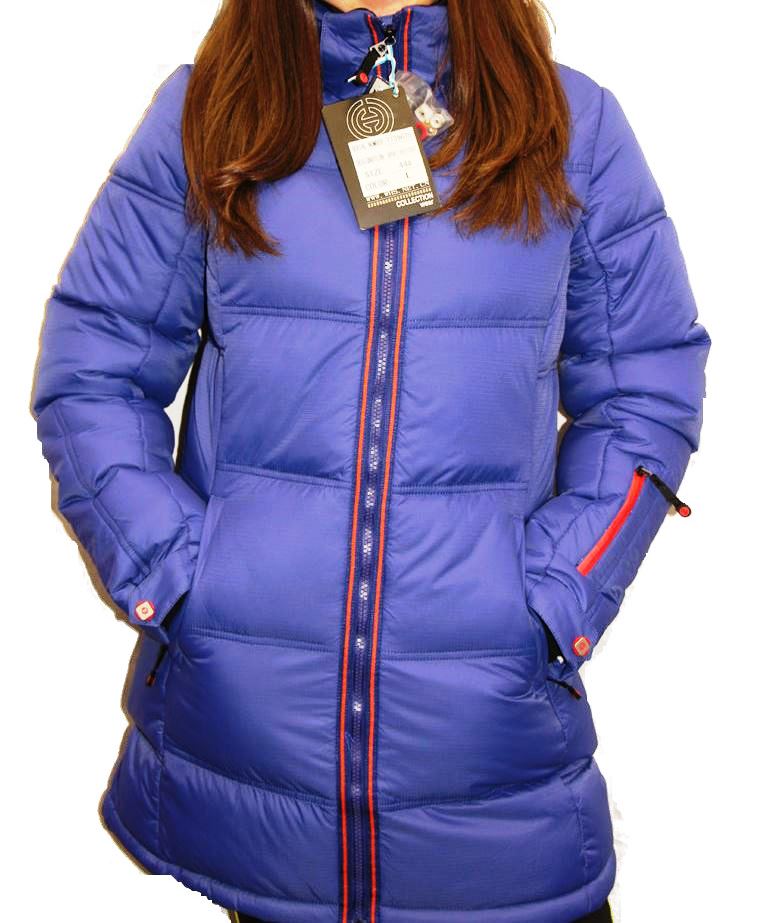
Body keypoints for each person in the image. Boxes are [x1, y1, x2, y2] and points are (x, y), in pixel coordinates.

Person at [31, 0, 710, 920]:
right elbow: (92, 372)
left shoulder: (570, 128)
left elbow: (646, 386)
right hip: (255, 764)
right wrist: (184, 580)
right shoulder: (213, 114)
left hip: (493, 768)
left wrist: (558, 593)